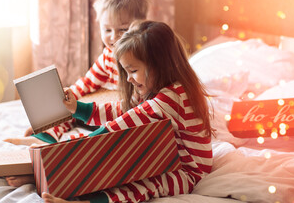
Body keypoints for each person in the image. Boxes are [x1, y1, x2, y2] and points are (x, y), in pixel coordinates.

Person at [42, 20, 214, 203]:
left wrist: (68, 153)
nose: (129, 79)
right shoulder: (150, 89)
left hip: (189, 171)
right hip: (166, 153)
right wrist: (77, 108)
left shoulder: (173, 97)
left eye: (132, 71)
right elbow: (120, 110)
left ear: (159, 65)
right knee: (117, 162)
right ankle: (50, 178)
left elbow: (120, 125)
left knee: (146, 183)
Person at [4, 0, 149, 186]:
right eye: (107, 30)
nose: (114, 37)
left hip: (119, 115)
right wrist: (65, 100)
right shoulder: (107, 56)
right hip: (99, 111)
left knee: (93, 136)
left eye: (123, 30)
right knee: (71, 110)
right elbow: (87, 83)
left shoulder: (140, 60)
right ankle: (45, 136)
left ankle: (55, 157)